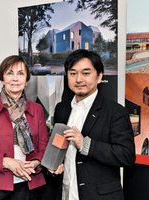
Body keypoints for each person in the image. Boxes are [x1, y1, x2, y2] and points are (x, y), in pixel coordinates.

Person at [51, 49, 135, 199]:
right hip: (66, 193)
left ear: (99, 76)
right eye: (72, 73)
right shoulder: (61, 108)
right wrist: (54, 164)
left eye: (86, 73)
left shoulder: (115, 111)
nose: (78, 79)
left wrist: (85, 144)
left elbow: (126, 156)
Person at [0, 55, 49, 200]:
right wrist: (6, 162)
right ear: (2, 79)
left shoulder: (36, 109)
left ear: (26, 80)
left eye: (20, 74)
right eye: (9, 73)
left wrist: (35, 162)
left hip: (29, 184)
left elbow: (44, 148)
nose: (15, 78)